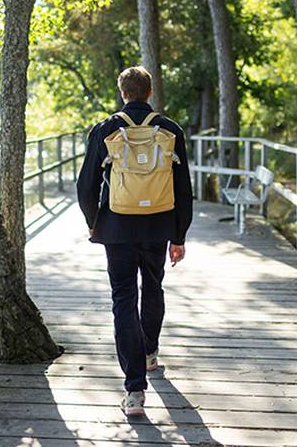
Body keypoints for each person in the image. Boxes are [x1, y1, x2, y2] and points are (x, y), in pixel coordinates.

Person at [76, 65, 193, 417]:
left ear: (123, 92)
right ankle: (150, 353)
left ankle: (134, 392)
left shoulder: (106, 129)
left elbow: (86, 187)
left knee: (123, 298)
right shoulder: (171, 129)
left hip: (118, 227)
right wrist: (179, 234)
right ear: (150, 91)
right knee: (153, 286)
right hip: (158, 225)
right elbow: (183, 188)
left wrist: (95, 222)